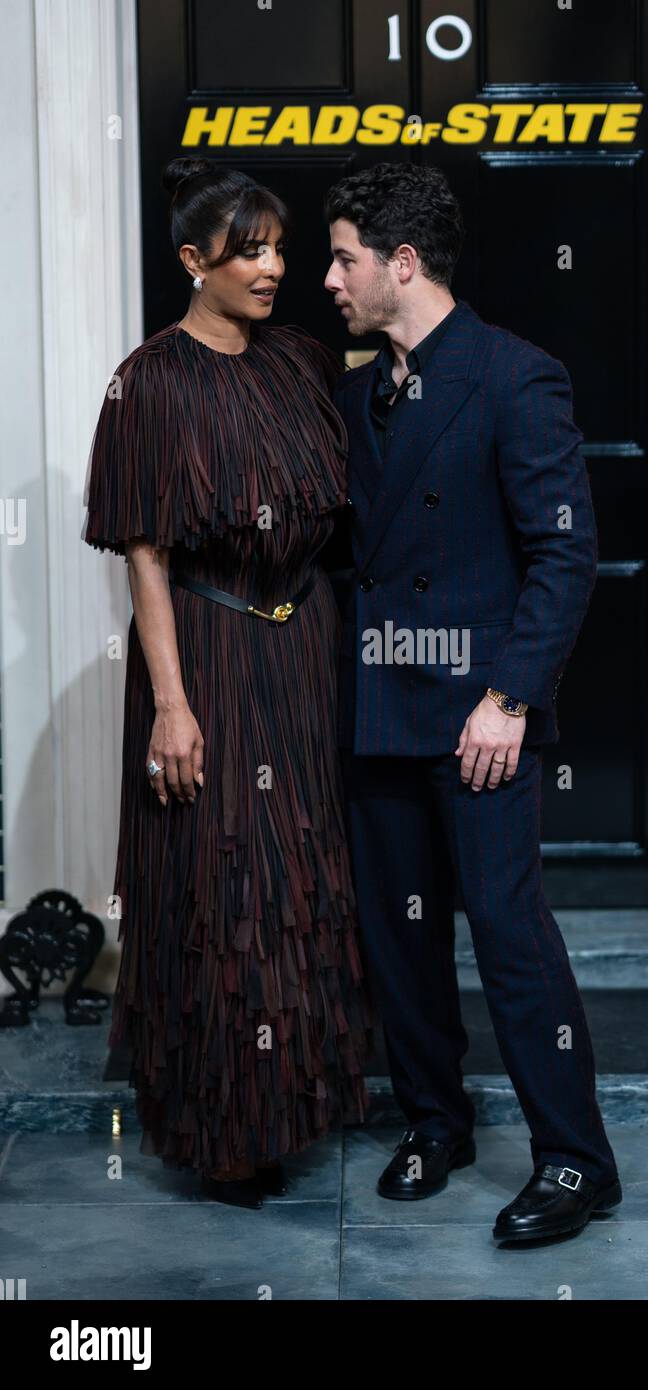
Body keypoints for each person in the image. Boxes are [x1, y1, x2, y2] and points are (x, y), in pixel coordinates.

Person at [323, 162, 621, 1243]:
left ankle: (577, 1159)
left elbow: (563, 553)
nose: (328, 278)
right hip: (378, 710)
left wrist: (506, 697)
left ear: (401, 264)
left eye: (343, 257)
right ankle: (433, 1123)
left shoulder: (513, 376)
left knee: (506, 932)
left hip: (476, 717)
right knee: (397, 940)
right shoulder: (352, 394)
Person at [82, 157, 373, 1210]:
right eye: (247, 249)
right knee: (223, 884)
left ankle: (297, 1101)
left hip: (301, 649)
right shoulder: (147, 380)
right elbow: (145, 551)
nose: (271, 266)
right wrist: (169, 701)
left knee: (298, 880)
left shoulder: (298, 359)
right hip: (205, 652)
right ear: (191, 261)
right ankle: (228, 1127)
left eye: (280, 248)